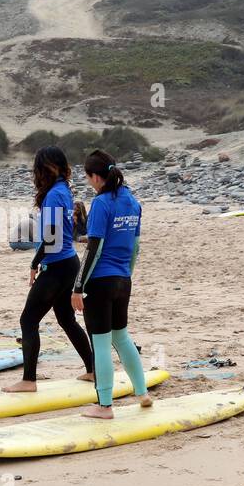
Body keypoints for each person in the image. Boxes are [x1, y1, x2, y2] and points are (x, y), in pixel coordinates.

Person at [3, 147, 94, 393]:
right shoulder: (64, 190)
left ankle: (28, 381)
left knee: (28, 319)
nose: (36, 174)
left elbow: (52, 239)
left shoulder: (54, 194)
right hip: (68, 264)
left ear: (48, 168)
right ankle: (92, 369)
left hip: (57, 267)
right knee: (66, 319)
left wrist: (35, 263)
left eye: (38, 169)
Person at [71, 150, 151, 419]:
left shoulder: (102, 204)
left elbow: (93, 249)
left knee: (102, 343)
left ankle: (104, 406)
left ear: (96, 176)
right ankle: (142, 392)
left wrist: (78, 287)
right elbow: (136, 248)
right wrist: (125, 275)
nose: (90, 183)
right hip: (122, 281)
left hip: (101, 281)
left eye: (89, 178)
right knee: (122, 337)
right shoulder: (132, 202)